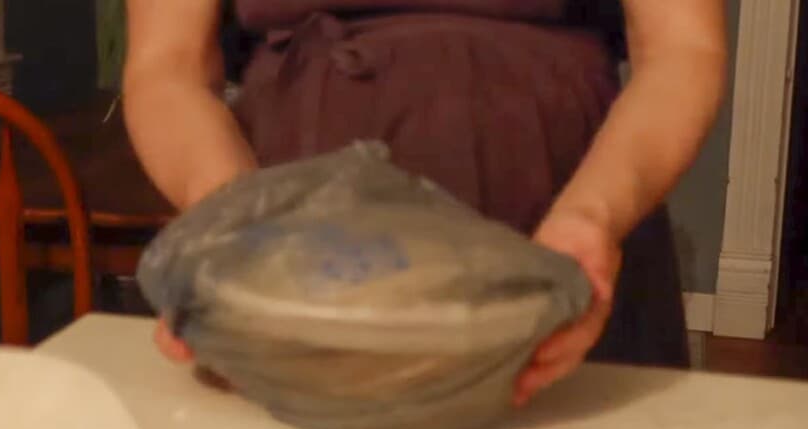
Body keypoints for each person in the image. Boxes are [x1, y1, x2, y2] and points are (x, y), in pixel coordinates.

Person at [122, 0, 727, 406]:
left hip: (571, 210)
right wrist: (233, 223)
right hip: (294, 245)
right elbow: (167, 67)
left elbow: (682, 51)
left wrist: (593, 218)